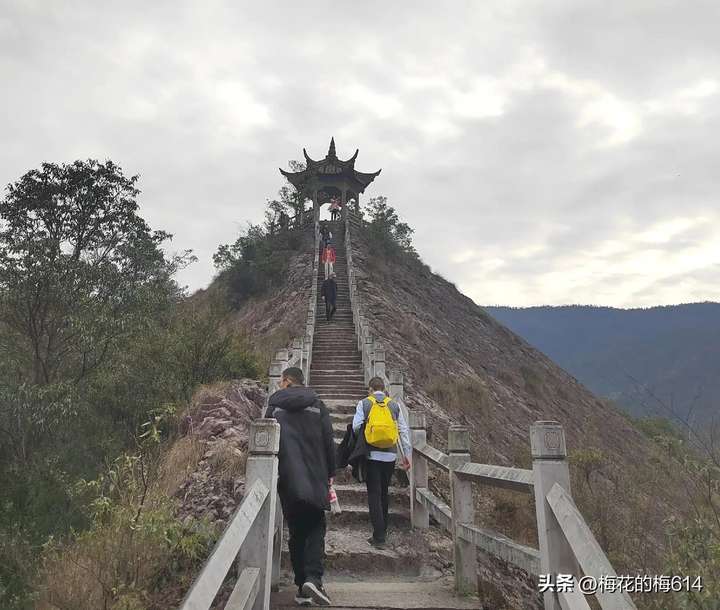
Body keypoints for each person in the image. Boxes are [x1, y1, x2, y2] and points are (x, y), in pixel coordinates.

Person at [265, 367, 335, 606]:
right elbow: (328, 440)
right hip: (315, 473)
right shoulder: (317, 404)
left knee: (296, 531)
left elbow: (266, 438)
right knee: (316, 525)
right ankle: (313, 579)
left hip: (288, 476)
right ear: (302, 382)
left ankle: (301, 585)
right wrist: (331, 473)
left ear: (286, 381)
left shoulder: (274, 407)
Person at [352, 377, 411, 548]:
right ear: (384, 389)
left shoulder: (364, 403)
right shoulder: (394, 405)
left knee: (373, 494)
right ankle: (382, 531)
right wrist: (407, 455)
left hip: (371, 455)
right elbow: (403, 432)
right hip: (390, 457)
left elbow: (356, 427)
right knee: (384, 493)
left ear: (370, 389)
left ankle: (378, 536)